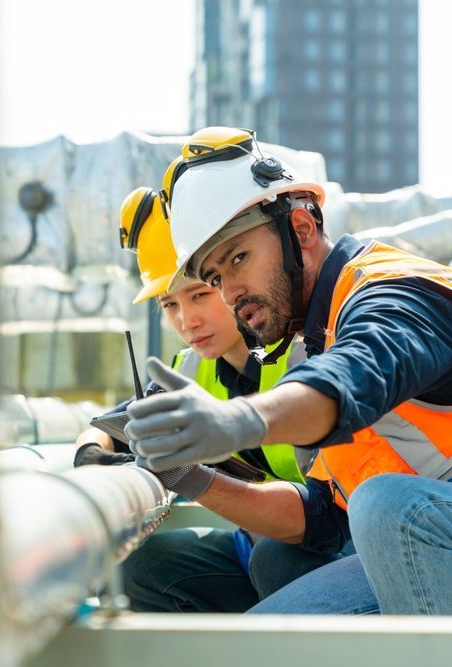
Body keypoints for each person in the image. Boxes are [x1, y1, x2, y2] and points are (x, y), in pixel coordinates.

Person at [125, 128, 452, 666]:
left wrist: (234, 420)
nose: (230, 293)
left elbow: (356, 375)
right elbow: (321, 518)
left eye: (238, 258)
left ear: (302, 227)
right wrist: (190, 473)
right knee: (263, 629)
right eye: (215, 277)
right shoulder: (323, 335)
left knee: (389, 506)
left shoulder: (395, 291)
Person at [75, 182, 352, 613]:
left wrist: (189, 476)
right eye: (169, 305)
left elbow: (322, 520)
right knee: (141, 569)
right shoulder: (191, 370)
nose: (188, 320)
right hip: (261, 540)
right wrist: (92, 455)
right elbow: (110, 427)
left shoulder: (308, 354)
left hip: (338, 546)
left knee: (277, 560)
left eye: (201, 294)